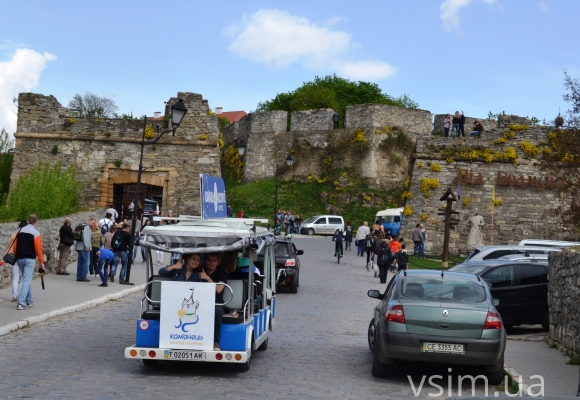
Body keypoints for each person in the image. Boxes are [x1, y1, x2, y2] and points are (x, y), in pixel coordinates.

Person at [12, 214, 45, 310]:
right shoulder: (36, 233)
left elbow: (15, 246)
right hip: (29, 258)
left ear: (28, 220)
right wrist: (41, 262)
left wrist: (16, 254)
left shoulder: (19, 230)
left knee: (26, 279)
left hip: (20, 258)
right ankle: (21, 303)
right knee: (26, 280)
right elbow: (38, 249)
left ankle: (29, 300)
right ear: (36, 222)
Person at [199, 253, 228, 351]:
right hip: (200, 302)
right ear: (205, 261)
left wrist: (207, 278)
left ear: (218, 262)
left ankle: (215, 342)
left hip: (217, 303)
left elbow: (219, 289)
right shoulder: (199, 273)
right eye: (209, 260)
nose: (211, 263)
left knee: (217, 312)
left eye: (214, 261)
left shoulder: (222, 275)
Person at [4, 221, 27, 303]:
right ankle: (21, 296)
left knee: (15, 278)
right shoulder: (26, 236)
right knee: (23, 278)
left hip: (13, 258)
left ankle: (14, 297)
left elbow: (9, 245)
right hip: (23, 257)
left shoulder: (14, 235)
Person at [75, 218, 95, 282]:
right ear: (89, 221)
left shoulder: (81, 226)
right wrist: (87, 247)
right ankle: (83, 276)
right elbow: (86, 238)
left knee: (80, 262)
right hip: (84, 247)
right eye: (93, 223)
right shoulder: (86, 227)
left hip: (79, 247)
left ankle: (79, 276)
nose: (93, 224)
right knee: (86, 262)